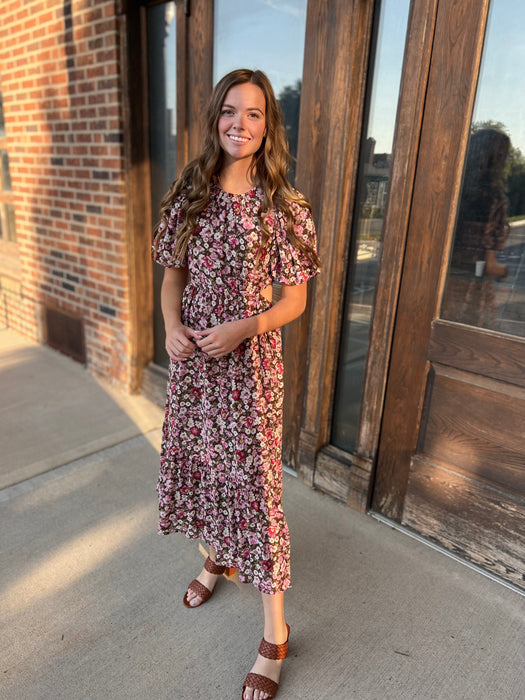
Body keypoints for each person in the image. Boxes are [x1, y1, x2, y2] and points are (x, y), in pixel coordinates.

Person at [152, 68, 320, 700]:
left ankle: (274, 634)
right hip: (195, 364)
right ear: (214, 118)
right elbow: (171, 279)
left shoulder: (283, 205)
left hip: (249, 369)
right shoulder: (188, 193)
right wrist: (172, 327)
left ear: (268, 124)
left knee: (253, 488)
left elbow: (295, 301)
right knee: (205, 470)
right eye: (229, 111)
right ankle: (217, 557)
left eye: (253, 114)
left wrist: (245, 326)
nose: (239, 124)